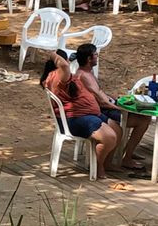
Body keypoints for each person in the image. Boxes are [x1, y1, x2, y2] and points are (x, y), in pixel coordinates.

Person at [40, 45, 119, 176]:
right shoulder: (58, 76)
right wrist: (53, 54)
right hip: (76, 119)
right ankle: (99, 167)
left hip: (87, 113)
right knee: (109, 137)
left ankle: (107, 163)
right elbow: (64, 66)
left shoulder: (63, 76)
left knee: (117, 129)